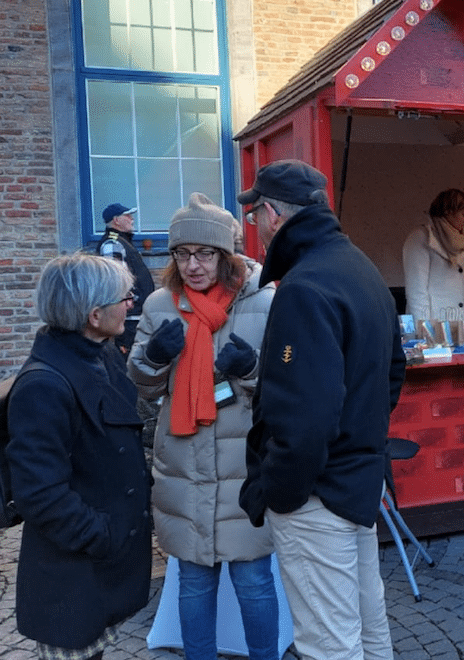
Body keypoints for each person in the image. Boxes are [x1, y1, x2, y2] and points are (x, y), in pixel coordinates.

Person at [237, 159, 406, 660]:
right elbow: (393, 372)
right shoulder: (360, 267)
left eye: (254, 217)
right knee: (369, 632)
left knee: (329, 645)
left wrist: (282, 492)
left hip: (319, 495)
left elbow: (303, 419)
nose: (256, 229)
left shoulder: (305, 286)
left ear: (270, 214)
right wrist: (360, 442)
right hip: (356, 481)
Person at [127, 193, 278, 660]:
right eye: (182, 253)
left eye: (204, 253)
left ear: (225, 254)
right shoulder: (159, 305)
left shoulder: (264, 301)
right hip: (185, 463)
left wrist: (251, 369)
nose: (192, 265)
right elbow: (142, 385)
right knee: (193, 579)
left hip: (243, 464)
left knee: (252, 578)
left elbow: (288, 384)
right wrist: (153, 360)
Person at [6, 253, 151, 659]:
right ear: (93, 314)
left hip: (99, 570)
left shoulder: (99, 356)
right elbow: (39, 494)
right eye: (124, 297)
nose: (131, 304)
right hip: (72, 574)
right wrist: (102, 535)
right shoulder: (44, 385)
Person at [402, 188, 464, 320]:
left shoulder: (460, 241)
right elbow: (416, 293)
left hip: (460, 323)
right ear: (448, 212)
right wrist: (425, 331)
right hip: (435, 325)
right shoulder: (421, 238)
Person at [97, 203, 155, 357]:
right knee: (129, 363)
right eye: (128, 215)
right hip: (128, 319)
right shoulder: (112, 244)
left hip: (134, 317)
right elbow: (115, 281)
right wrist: (128, 301)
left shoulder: (122, 242)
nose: (132, 219)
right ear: (116, 220)